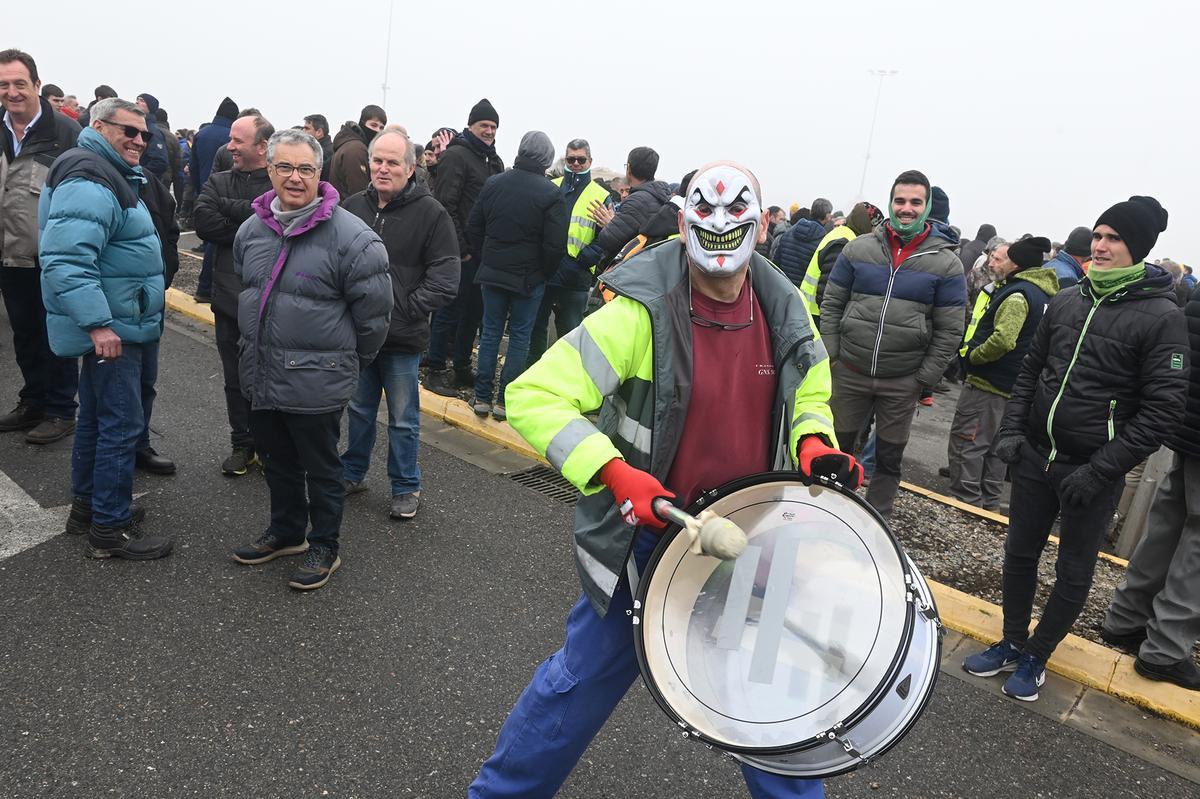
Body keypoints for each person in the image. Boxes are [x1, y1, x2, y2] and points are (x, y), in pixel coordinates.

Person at [468, 161, 856, 799]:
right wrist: (616, 473)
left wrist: (813, 440)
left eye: (739, 215)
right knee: (578, 686)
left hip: (751, 544)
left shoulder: (788, 313)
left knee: (766, 712)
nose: (721, 227)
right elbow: (534, 396)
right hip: (651, 541)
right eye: (705, 213)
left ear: (759, 227)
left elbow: (811, 391)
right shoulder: (638, 313)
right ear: (681, 220)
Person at [964, 196, 1189, 701]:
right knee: (1019, 554)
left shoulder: (1160, 317)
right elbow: (1031, 371)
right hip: (1034, 458)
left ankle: (1038, 655)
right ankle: (1012, 640)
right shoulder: (1068, 298)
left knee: (1074, 569)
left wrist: (1101, 469)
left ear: (1139, 247)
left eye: (1113, 238)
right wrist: (1013, 434)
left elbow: (1162, 410)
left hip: (1092, 470)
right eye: (1098, 235)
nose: (1100, 246)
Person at [230, 129, 391, 590]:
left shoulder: (354, 240)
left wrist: (345, 365)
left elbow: (374, 319)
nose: (295, 177)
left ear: (319, 174)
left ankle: (325, 544)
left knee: (322, 468)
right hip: (262, 373)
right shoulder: (251, 230)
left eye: (305, 169)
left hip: (317, 380)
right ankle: (286, 532)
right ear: (270, 169)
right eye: (285, 167)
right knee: (276, 460)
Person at [38, 97, 174, 560]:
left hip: (120, 323)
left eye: (145, 134)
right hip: (115, 329)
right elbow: (67, 259)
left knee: (97, 420)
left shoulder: (100, 171)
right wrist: (99, 325)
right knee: (120, 424)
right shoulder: (91, 179)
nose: (139, 140)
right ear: (98, 126)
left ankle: (88, 508)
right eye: (129, 131)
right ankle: (109, 530)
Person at [820, 169, 966, 519]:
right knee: (837, 448)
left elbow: (950, 329)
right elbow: (832, 303)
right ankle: (828, 512)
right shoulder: (858, 249)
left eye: (916, 202)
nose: (907, 208)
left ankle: (877, 521)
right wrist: (833, 354)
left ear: (927, 206)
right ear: (890, 202)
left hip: (901, 379)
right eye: (900, 200)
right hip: (850, 371)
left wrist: (923, 378)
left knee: (888, 456)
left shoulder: (946, 264)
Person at [341, 130, 459, 520]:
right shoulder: (353, 207)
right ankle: (353, 472)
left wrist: (405, 307)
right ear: (368, 163)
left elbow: (445, 278)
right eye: (378, 160)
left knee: (404, 419)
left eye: (393, 162)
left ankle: (405, 485)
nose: (383, 168)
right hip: (357, 335)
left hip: (402, 337)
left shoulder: (432, 214)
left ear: (410, 168)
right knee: (358, 409)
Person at [1101, 279, 1200, 691]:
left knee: (1168, 524)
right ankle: (1165, 649)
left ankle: (1125, 618)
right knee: (1194, 541)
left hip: (1189, 423)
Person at [0, 48, 81, 444]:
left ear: (36, 84)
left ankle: (61, 408)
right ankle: (33, 400)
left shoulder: (67, 135)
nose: (12, 92)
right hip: (8, 254)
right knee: (25, 332)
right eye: (3, 85)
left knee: (57, 333)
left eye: (19, 83)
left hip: (51, 256)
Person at [948, 237, 1057, 510]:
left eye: (1003, 258)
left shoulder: (1018, 294)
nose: (996, 263)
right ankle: (989, 505)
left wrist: (972, 357)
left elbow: (1003, 340)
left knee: (967, 444)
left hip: (989, 384)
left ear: (1017, 264)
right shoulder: (1044, 295)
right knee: (997, 452)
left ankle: (965, 503)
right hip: (1015, 387)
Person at [194, 110, 275, 476]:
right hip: (228, 298)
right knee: (234, 378)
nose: (230, 146)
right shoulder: (220, 179)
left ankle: (272, 445)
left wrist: (233, 212)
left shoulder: (279, 181)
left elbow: (278, 220)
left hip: (271, 302)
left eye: (237, 141)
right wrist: (253, 218)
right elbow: (203, 221)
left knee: (271, 377)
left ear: (262, 146)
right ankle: (243, 444)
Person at [465, 131, 566, 420]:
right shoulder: (551, 194)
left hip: (493, 273)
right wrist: (543, 273)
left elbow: (474, 226)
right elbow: (555, 244)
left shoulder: (494, 183)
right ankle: (503, 402)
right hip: (528, 278)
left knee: (490, 333)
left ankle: (481, 397)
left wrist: (487, 257)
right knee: (519, 337)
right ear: (547, 159)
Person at [426, 99, 504, 396]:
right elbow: (446, 205)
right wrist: (461, 248)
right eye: (484, 125)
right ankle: (435, 367)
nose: (489, 131)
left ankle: (460, 367)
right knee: (449, 310)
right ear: (471, 125)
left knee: (473, 312)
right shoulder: (457, 156)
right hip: (460, 251)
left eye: (494, 126)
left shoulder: (493, 160)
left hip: (484, 253)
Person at [526, 138, 611, 368]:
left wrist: (584, 260)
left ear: (590, 161)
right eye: (570, 159)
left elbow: (605, 238)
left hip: (576, 276)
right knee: (536, 328)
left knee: (570, 335)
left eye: (580, 160)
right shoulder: (552, 186)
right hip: (546, 271)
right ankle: (533, 373)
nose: (575, 164)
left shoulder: (601, 195)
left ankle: (563, 382)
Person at [572, 146, 669, 278]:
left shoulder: (637, 200)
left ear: (629, 169)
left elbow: (608, 239)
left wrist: (610, 224)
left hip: (628, 273)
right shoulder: (660, 196)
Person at [798, 201, 882, 325]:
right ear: (865, 224)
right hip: (816, 316)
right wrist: (833, 322)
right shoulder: (844, 243)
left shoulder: (845, 235)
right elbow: (826, 289)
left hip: (814, 311)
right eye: (874, 227)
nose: (875, 233)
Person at [190, 97, 239, 303]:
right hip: (228, 197)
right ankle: (209, 289)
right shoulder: (232, 140)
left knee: (210, 240)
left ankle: (204, 288)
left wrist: (198, 189)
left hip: (205, 191)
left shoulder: (202, 134)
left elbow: (193, 167)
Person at [329, 104, 386, 200]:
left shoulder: (351, 144)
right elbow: (359, 193)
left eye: (381, 128)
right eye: (373, 125)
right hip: (350, 212)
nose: (377, 131)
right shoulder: (356, 150)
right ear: (362, 123)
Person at [133, 93, 169, 180]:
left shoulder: (152, 130)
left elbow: (160, 162)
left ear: (150, 106)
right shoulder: (136, 126)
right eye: (137, 100)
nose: (137, 102)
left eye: (142, 101)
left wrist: (138, 174)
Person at [301, 113, 333, 180]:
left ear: (319, 132)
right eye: (303, 128)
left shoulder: (324, 154)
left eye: (307, 128)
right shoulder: (315, 150)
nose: (303, 131)